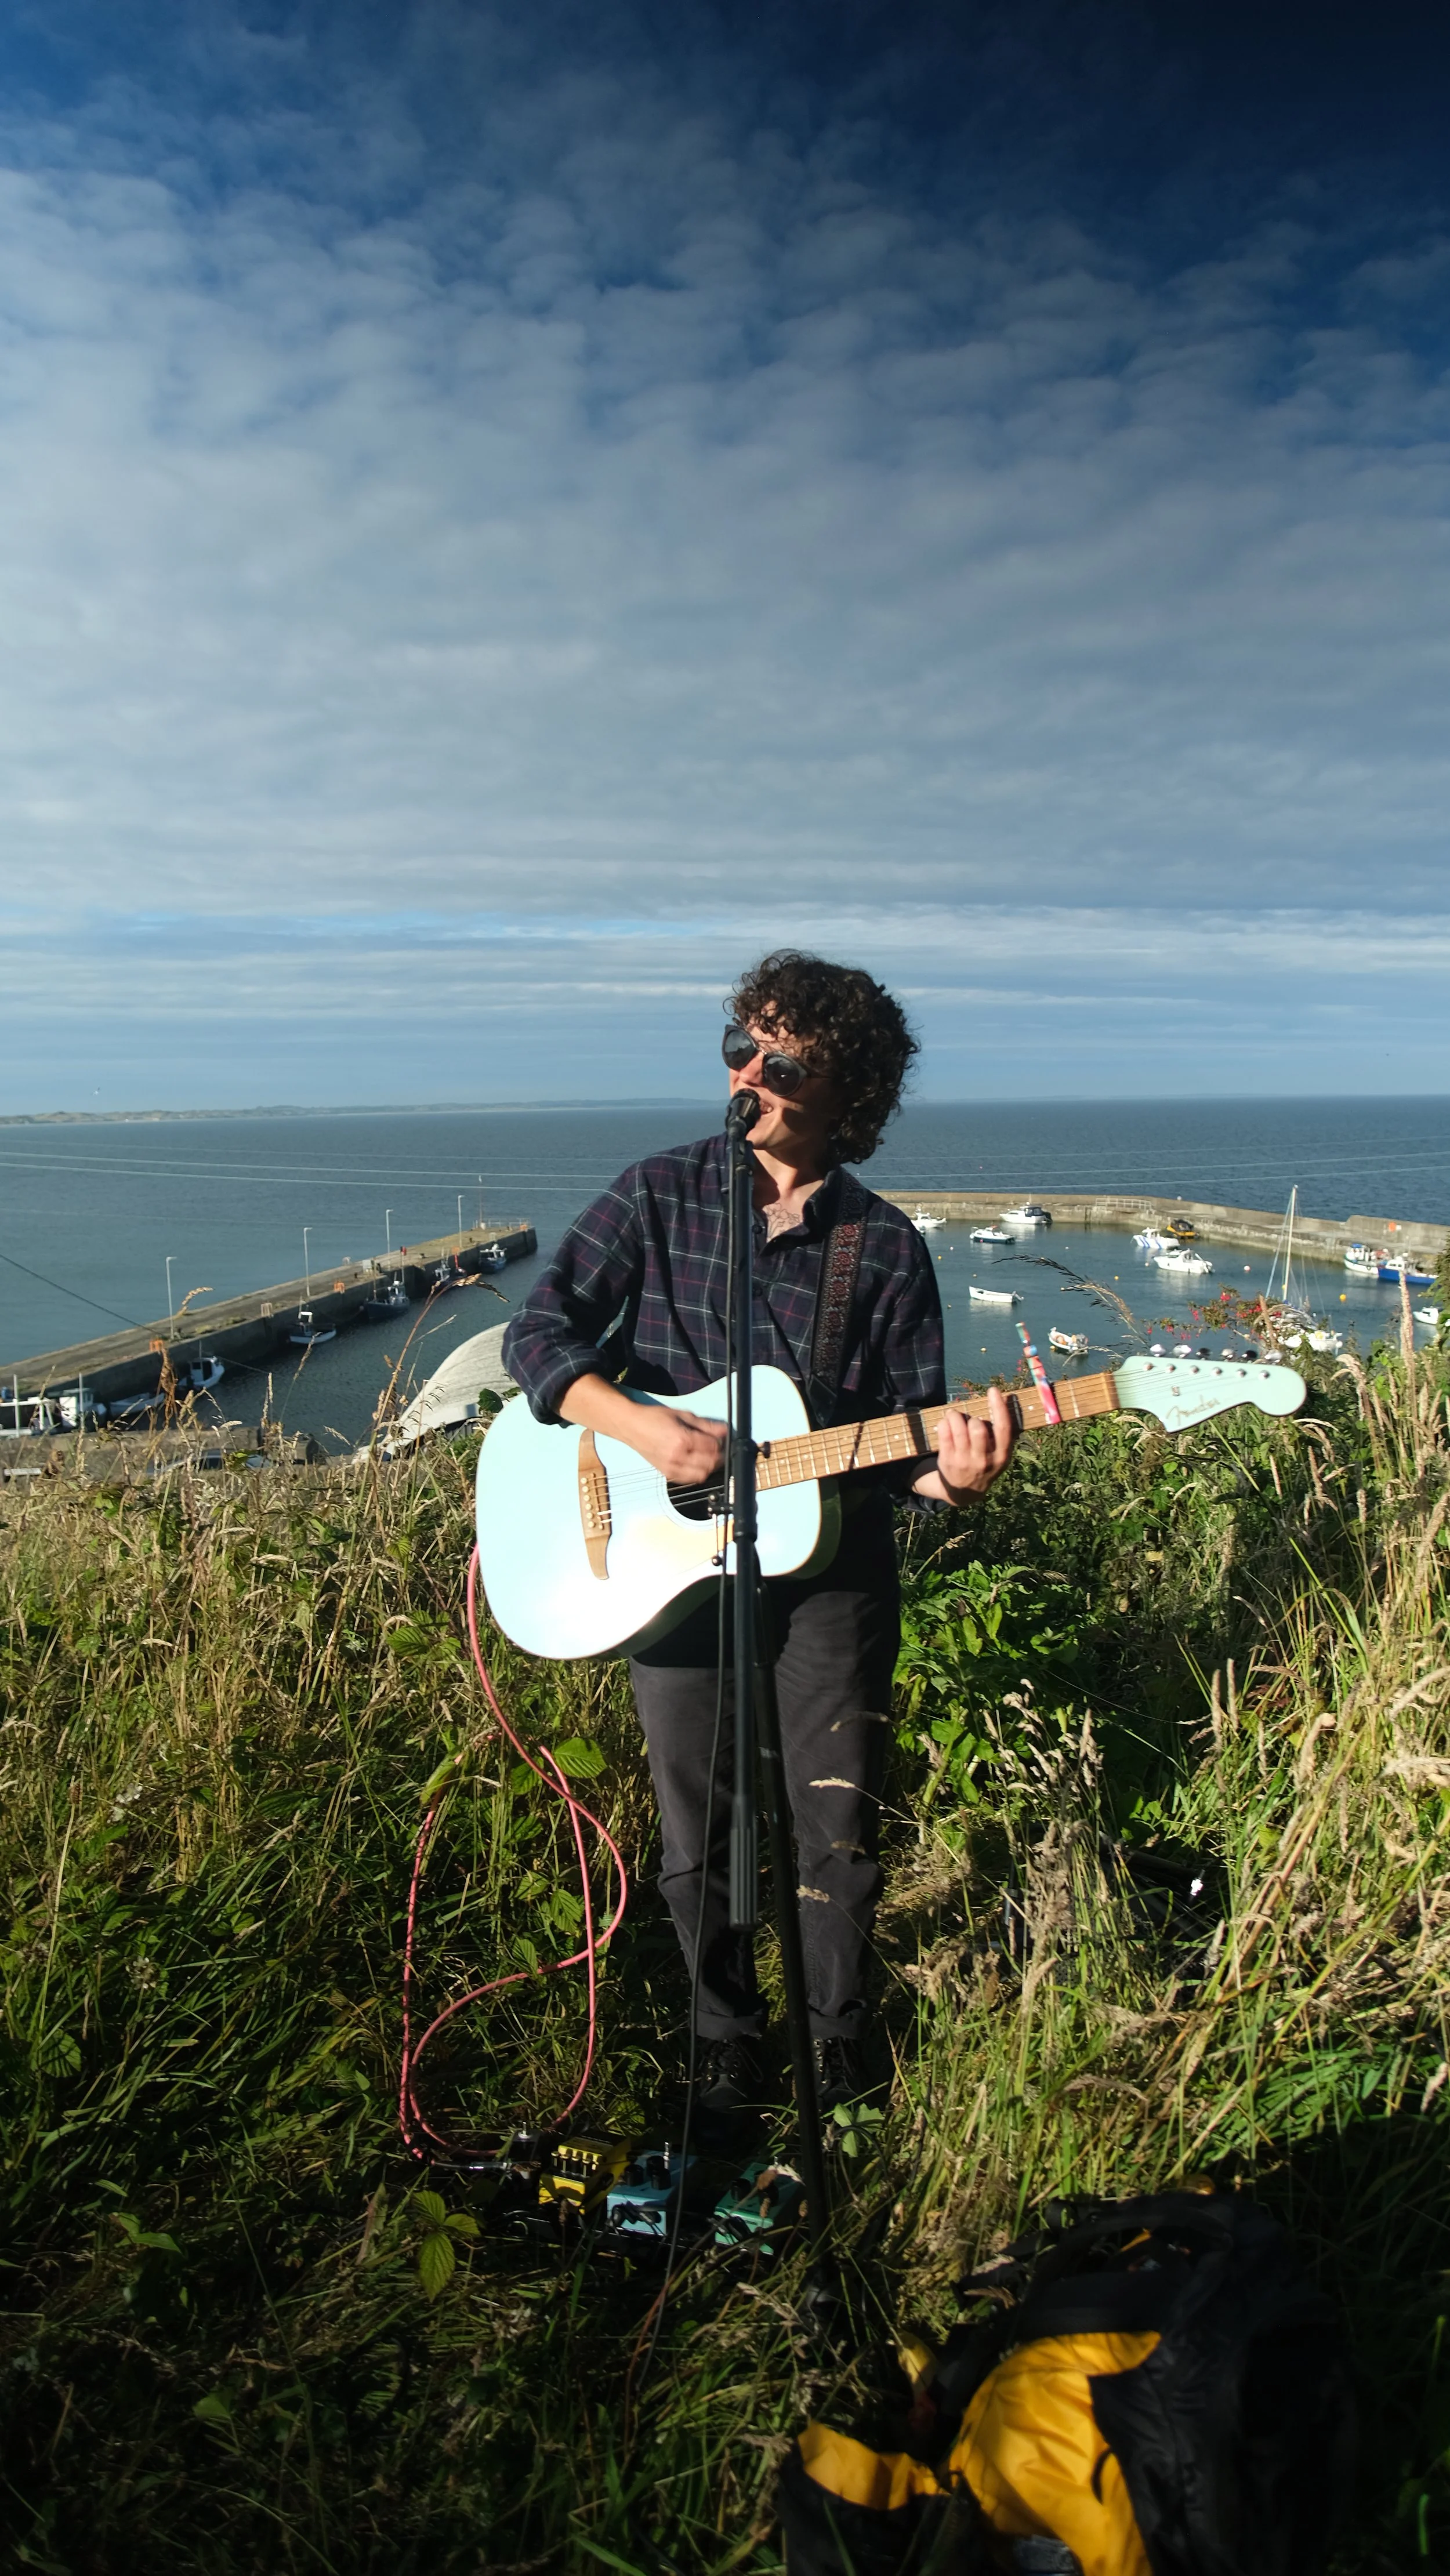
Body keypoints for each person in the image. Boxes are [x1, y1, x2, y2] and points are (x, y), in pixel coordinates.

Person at [501, 950, 1015, 2134]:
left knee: (835, 1823)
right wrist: (634, 1426)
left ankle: (837, 2056)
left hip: (831, 1574)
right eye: (739, 1046)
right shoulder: (659, 1191)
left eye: (783, 1061)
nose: (751, 1075)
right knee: (697, 1824)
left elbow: (908, 1450)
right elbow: (539, 1329)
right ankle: (723, 2047)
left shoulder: (882, 1248)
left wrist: (960, 1476)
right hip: (666, 1565)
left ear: (851, 1096)